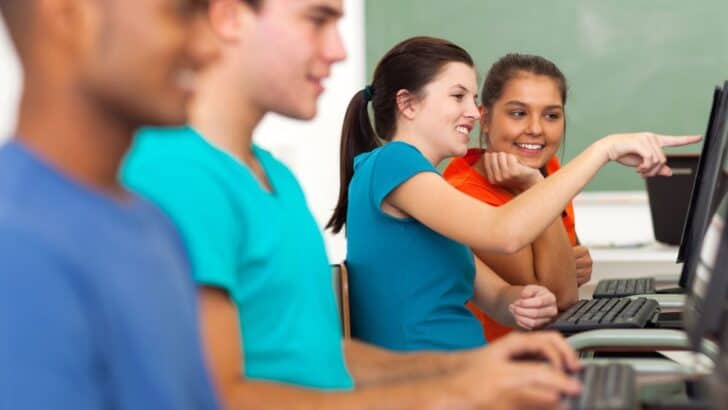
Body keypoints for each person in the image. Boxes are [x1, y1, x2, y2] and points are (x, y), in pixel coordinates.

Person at [123, 1, 583, 408]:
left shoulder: (275, 180)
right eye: (317, 19)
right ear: (229, 16)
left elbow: (319, 357)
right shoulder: (171, 173)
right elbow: (212, 393)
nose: (341, 50)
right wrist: (449, 392)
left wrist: (471, 371)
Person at [328, 36, 700, 351]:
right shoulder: (393, 163)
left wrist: (521, 303)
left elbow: (496, 297)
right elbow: (503, 232)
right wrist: (604, 149)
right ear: (407, 104)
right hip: (434, 382)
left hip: (465, 370)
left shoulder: (426, 189)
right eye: (457, 96)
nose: (472, 113)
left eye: (472, 98)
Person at [0, 0, 222, 409]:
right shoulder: (17, 249)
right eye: (183, 13)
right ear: (69, 15)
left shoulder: (155, 226)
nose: (211, 48)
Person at [442, 53, 589, 342]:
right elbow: (558, 300)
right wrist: (535, 189)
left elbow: (574, 260)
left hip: (551, 353)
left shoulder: (548, 169)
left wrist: (568, 266)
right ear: (484, 118)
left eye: (551, 115)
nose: (536, 129)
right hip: (497, 364)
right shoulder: (465, 194)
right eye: (518, 113)